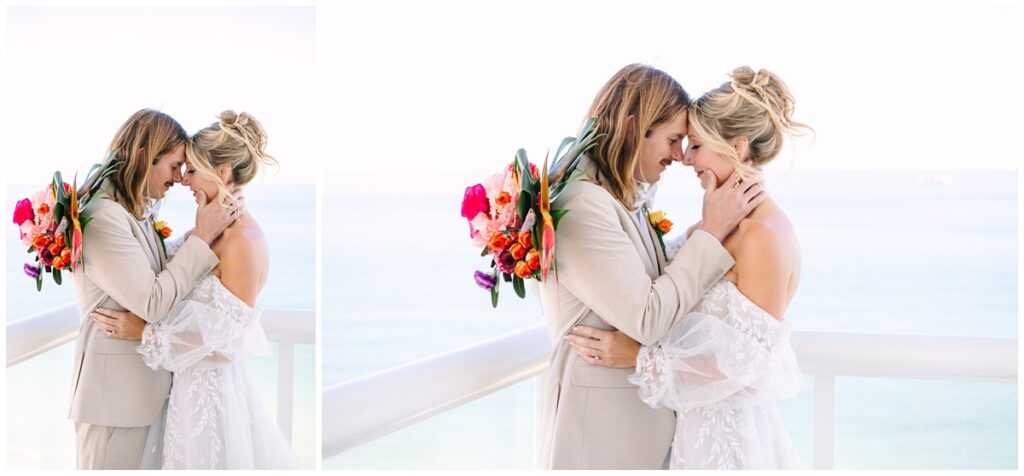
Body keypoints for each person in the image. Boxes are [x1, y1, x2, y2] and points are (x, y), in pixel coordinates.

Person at [568, 67, 809, 469]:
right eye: (681, 142)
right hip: (691, 433)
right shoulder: (719, 226)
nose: (685, 158)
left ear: (738, 146)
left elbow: (756, 368)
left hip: (728, 445)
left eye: (695, 145)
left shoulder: (764, 235)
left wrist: (641, 356)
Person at [93, 111, 299, 469]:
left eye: (191, 170)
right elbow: (173, 267)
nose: (184, 180)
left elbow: (228, 342)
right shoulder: (212, 228)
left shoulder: (242, 242)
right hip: (183, 393)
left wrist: (145, 331)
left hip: (211, 401)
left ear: (221, 173)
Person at [69, 109, 236, 470]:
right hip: (114, 404)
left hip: (142, 397)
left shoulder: (130, 210)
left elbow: (151, 271)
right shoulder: (101, 216)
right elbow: (152, 302)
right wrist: (204, 237)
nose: (180, 177)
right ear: (145, 154)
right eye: (175, 165)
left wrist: (198, 236)